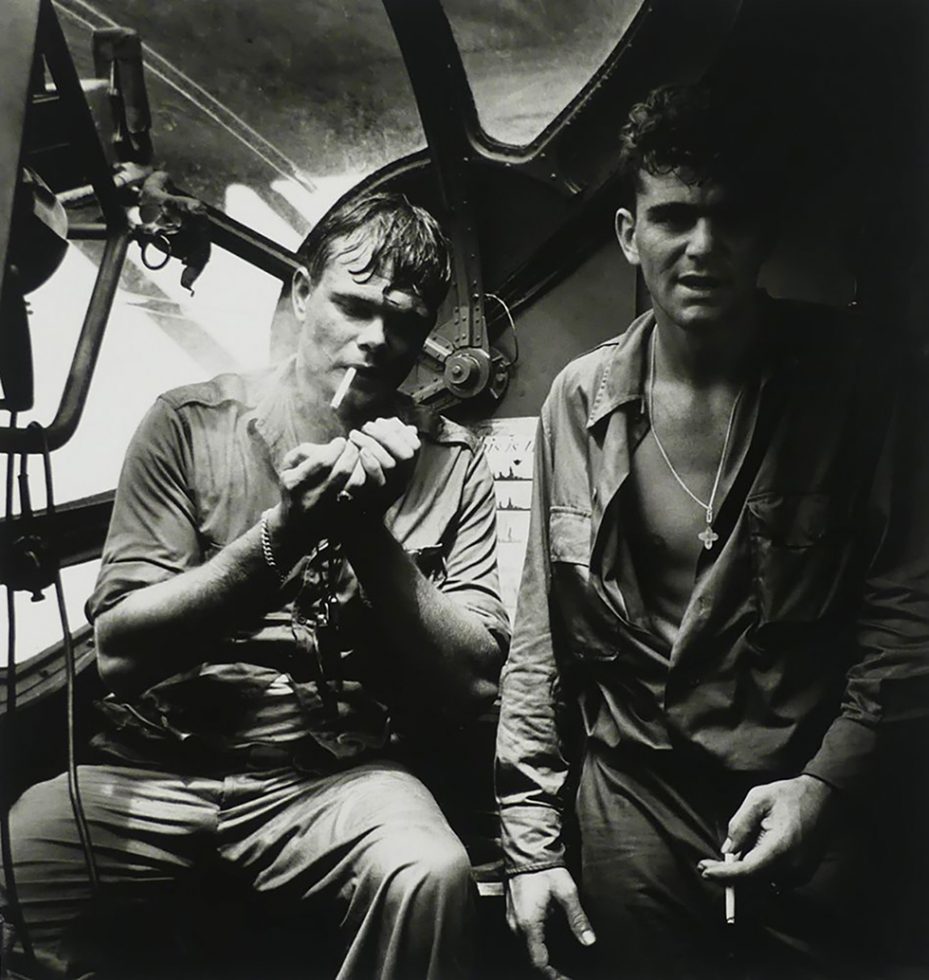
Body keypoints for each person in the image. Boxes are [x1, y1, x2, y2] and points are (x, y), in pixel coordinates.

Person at [3, 192, 510, 979]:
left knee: (427, 872)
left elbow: (477, 677)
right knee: (19, 861)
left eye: (405, 322)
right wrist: (283, 536)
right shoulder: (188, 423)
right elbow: (122, 652)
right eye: (352, 304)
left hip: (333, 778)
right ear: (303, 293)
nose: (376, 340)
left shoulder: (449, 461)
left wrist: (364, 531)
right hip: (150, 768)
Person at [495, 83, 929, 980]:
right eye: (674, 216)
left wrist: (829, 784)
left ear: (764, 233)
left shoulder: (855, 388)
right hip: (633, 800)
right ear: (628, 235)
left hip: (806, 789)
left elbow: (906, 615)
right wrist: (532, 850)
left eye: (728, 218)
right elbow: (541, 641)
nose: (701, 247)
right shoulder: (578, 400)